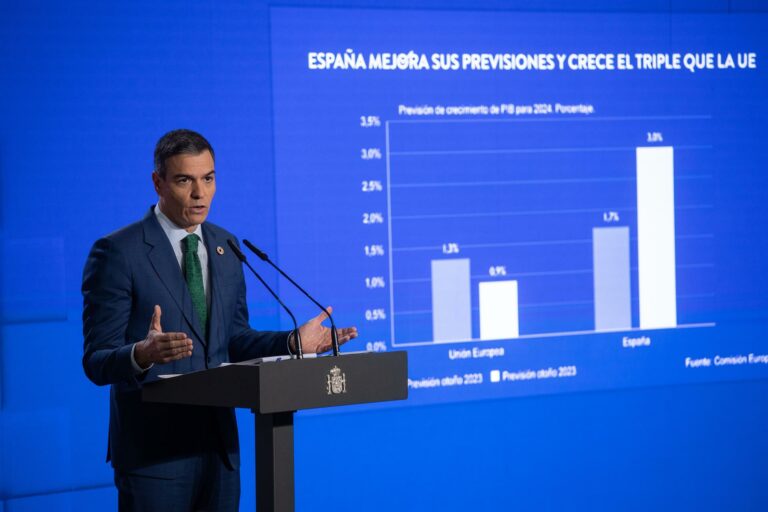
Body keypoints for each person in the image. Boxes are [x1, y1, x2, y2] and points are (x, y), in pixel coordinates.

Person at [82, 129, 357, 511]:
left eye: (208, 179)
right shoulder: (118, 252)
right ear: (158, 182)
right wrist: (141, 354)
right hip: (155, 457)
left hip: (221, 453)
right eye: (185, 180)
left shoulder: (225, 246)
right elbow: (96, 361)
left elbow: (235, 340)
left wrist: (291, 343)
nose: (200, 193)